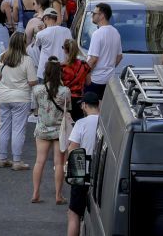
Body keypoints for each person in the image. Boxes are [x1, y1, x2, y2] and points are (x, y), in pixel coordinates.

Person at [0, 31, 37, 171]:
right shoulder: (27, 59)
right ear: (23, 43)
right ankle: (17, 160)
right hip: (21, 97)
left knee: (3, 127)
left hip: (4, 96)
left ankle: (2, 158)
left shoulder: (3, 57)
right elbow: (32, 81)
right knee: (18, 129)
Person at [31, 58, 70, 205]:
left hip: (42, 129)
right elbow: (68, 110)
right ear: (59, 73)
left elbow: (35, 110)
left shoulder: (37, 89)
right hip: (59, 130)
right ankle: (58, 196)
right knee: (59, 163)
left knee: (39, 161)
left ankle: (35, 193)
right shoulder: (65, 91)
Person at [65, 92, 101, 236]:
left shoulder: (81, 123)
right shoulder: (107, 122)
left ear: (85, 105)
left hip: (82, 172)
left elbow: (73, 148)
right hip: (102, 172)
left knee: (74, 213)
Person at [83, 3, 121, 98]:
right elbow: (119, 56)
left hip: (95, 80)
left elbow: (93, 59)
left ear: (102, 15)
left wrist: (85, 74)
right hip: (109, 80)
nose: (92, 15)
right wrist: (109, 67)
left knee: (91, 108)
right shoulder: (115, 32)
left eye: (94, 13)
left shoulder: (97, 34)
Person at [31, 8, 71, 80]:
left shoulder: (41, 34)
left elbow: (36, 45)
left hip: (45, 70)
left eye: (43, 19)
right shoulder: (67, 31)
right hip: (61, 69)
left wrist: (41, 30)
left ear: (46, 18)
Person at [60, 39, 90, 120]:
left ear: (65, 50)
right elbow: (88, 82)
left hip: (64, 99)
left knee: (64, 124)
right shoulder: (84, 65)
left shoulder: (61, 67)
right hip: (78, 98)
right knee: (78, 123)